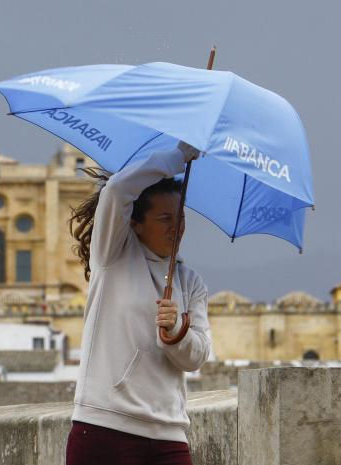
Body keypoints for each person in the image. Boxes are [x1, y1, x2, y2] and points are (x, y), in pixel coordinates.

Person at [65, 142, 211, 465]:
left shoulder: (191, 282)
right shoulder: (112, 256)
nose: (177, 228)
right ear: (136, 223)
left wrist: (176, 330)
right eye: (164, 218)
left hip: (169, 434)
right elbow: (117, 189)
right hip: (104, 428)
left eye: (180, 217)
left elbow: (197, 357)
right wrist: (177, 156)